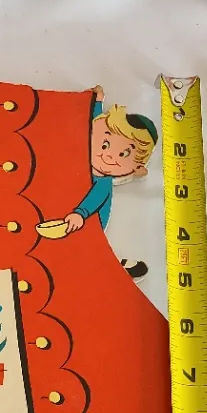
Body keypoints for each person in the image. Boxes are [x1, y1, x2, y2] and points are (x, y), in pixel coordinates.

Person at [60, 86, 159, 280]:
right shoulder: (82, 162)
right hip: (71, 214)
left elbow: (94, 198)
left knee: (83, 248)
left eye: (124, 154)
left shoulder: (103, 183)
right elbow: (95, 124)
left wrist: (80, 213)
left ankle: (112, 268)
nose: (108, 156)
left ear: (138, 167)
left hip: (87, 220)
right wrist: (96, 102)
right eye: (105, 145)